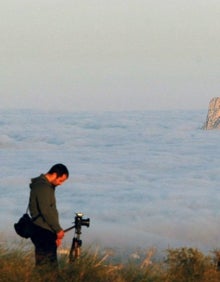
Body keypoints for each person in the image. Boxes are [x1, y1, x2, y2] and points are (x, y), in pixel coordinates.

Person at [29, 163, 69, 273]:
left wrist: (55, 233)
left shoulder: (44, 186)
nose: (60, 184)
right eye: (61, 180)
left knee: (43, 266)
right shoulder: (43, 187)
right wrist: (58, 230)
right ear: (55, 174)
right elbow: (46, 211)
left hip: (44, 230)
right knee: (49, 269)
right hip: (43, 231)